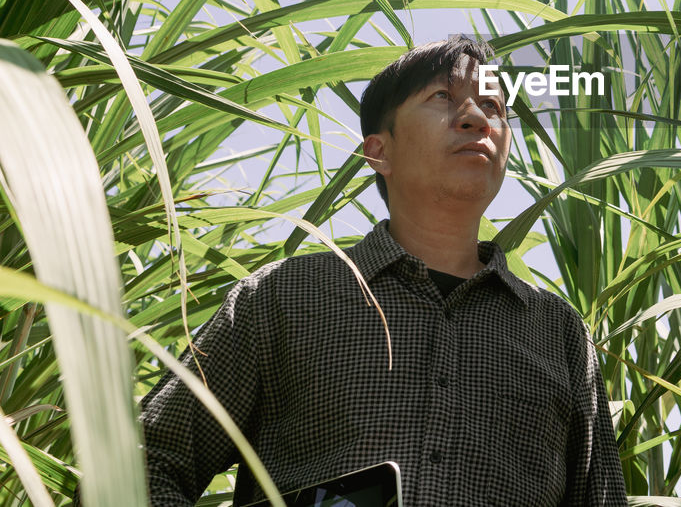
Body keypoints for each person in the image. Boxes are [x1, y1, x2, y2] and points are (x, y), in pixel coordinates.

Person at [135, 35, 627, 506]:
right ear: (379, 151)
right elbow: (143, 463)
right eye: (443, 96)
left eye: (495, 107)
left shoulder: (557, 333)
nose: (477, 118)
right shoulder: (283, 298)